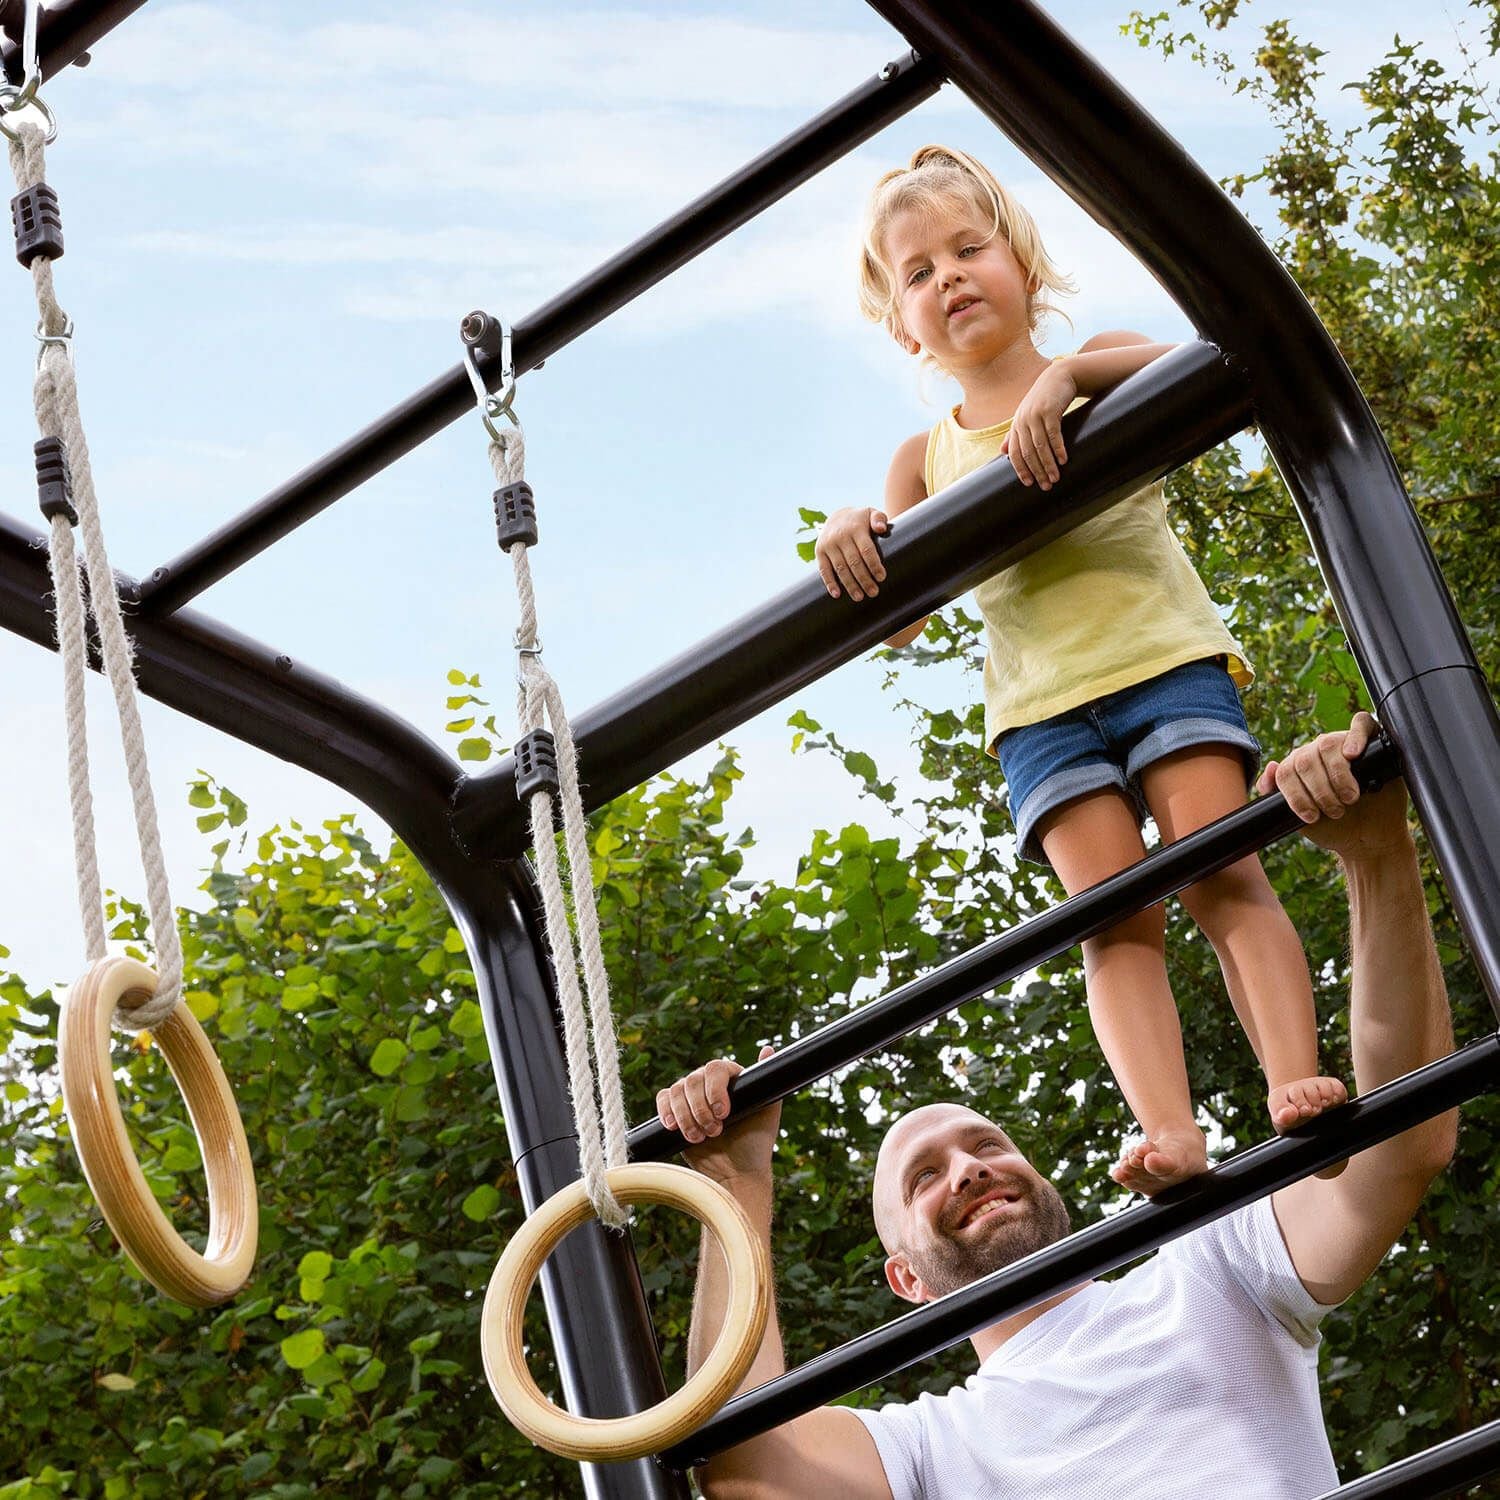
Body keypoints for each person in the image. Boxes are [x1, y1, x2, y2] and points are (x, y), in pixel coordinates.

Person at [656, 716, 1457, 1500]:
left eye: (987, 1144)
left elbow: (1403, 1147)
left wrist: (1378, 857)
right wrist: (733, 1180)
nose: (969, 1167)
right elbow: (748, 1468)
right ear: (905, 1278)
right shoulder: (932, 1448)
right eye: (923, 1177)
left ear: (1052, 1189)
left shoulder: (1210, 1274)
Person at [813, 144, 1343, 1194]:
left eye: (970, 249)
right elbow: (900, 627)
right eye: (919, 273)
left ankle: (1295, 1078)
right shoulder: (924, 461)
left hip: (1161, 662)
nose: (950, 277)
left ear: (1024, 262)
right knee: (1113, 925)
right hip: (1041, 716)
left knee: (1221, 870)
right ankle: (1173, 1133)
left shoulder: (1102, 361)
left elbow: (1210, 360)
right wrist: (852, 528)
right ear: (898, 322)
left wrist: (1066, 379)